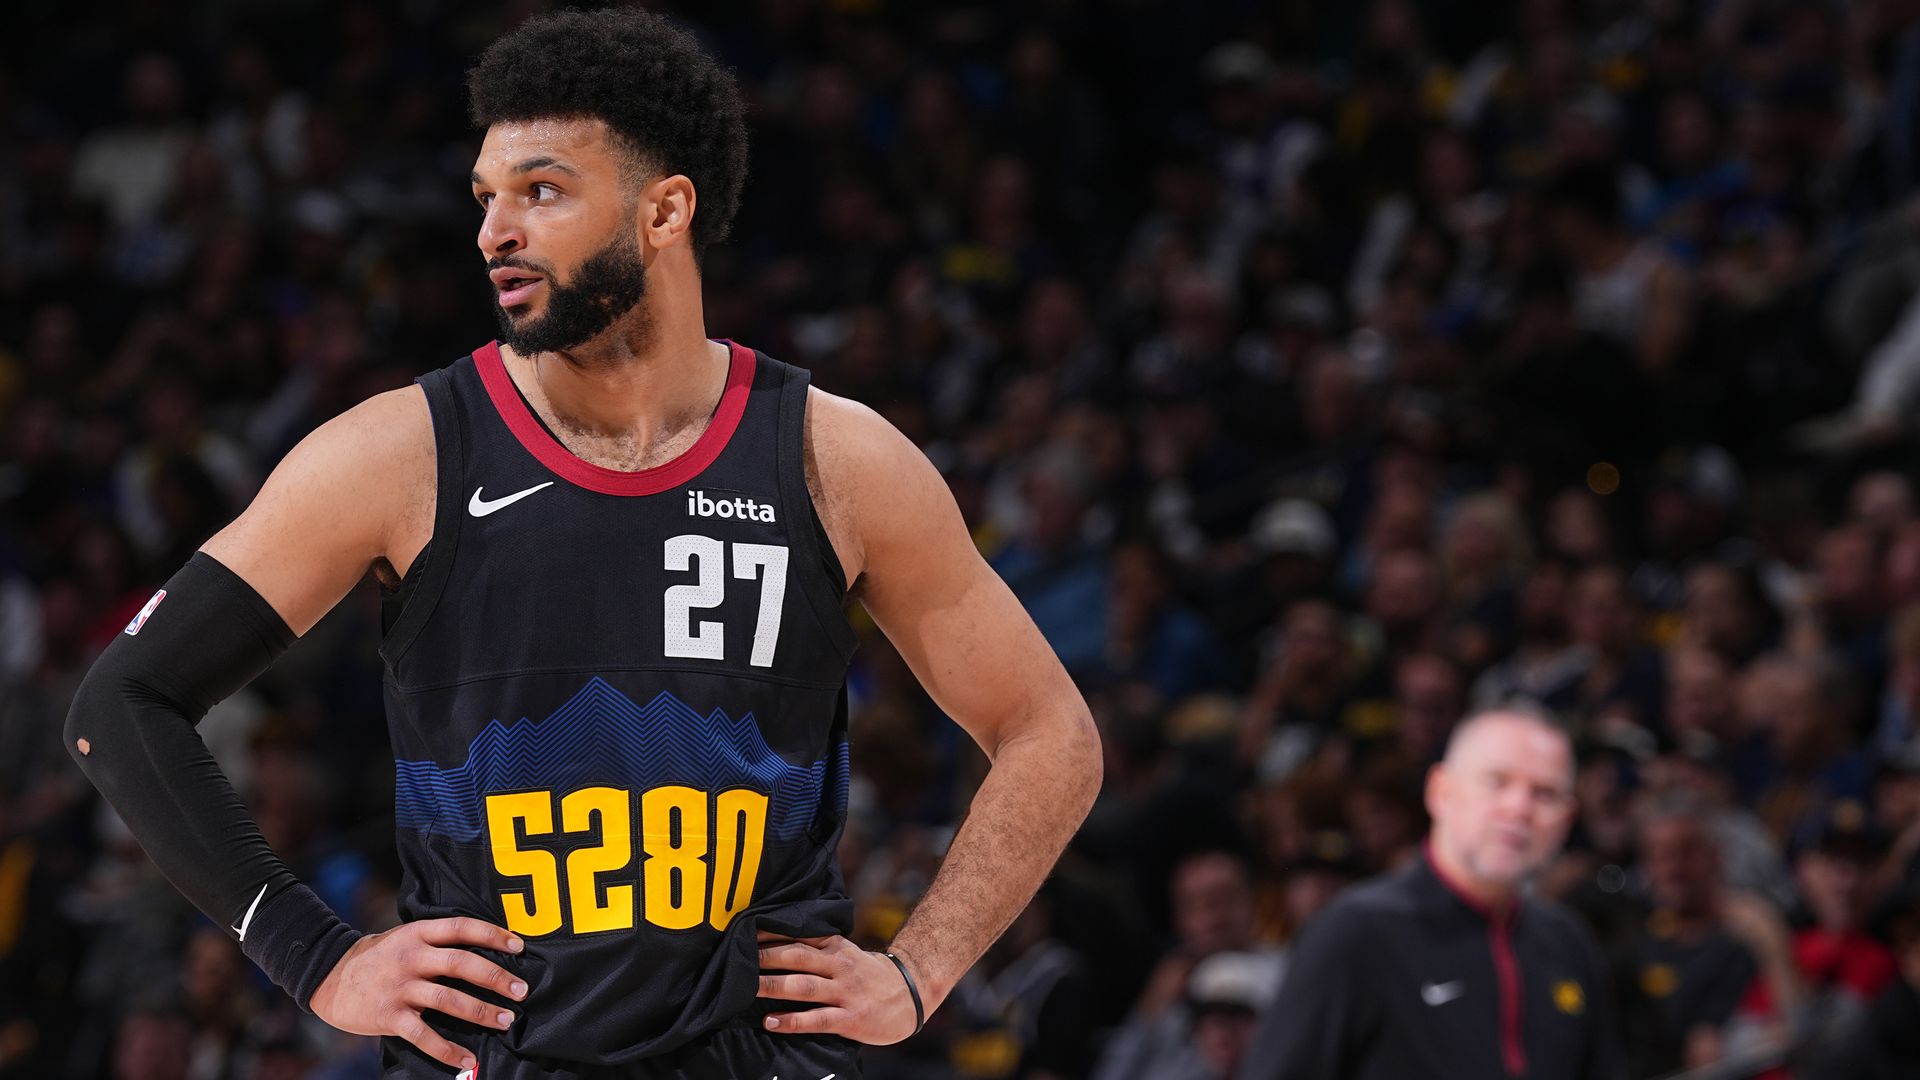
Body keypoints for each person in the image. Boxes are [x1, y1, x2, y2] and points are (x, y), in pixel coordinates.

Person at [62, 10, 1101, 1080]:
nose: (493, 232)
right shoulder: (398, 455)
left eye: (541, 192)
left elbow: (1050, 734)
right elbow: (120, 707)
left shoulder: (836, 460)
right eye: (486, 198)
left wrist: (919, 972)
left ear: (664, 210)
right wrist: (314, 957)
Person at [1238, 707, 1620, 1079]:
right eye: (1496, 782)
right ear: (1440, 791)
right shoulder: (1358, 932)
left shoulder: (1569, 944)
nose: (1518, 808)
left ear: (1567, 819)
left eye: (1544, 794)